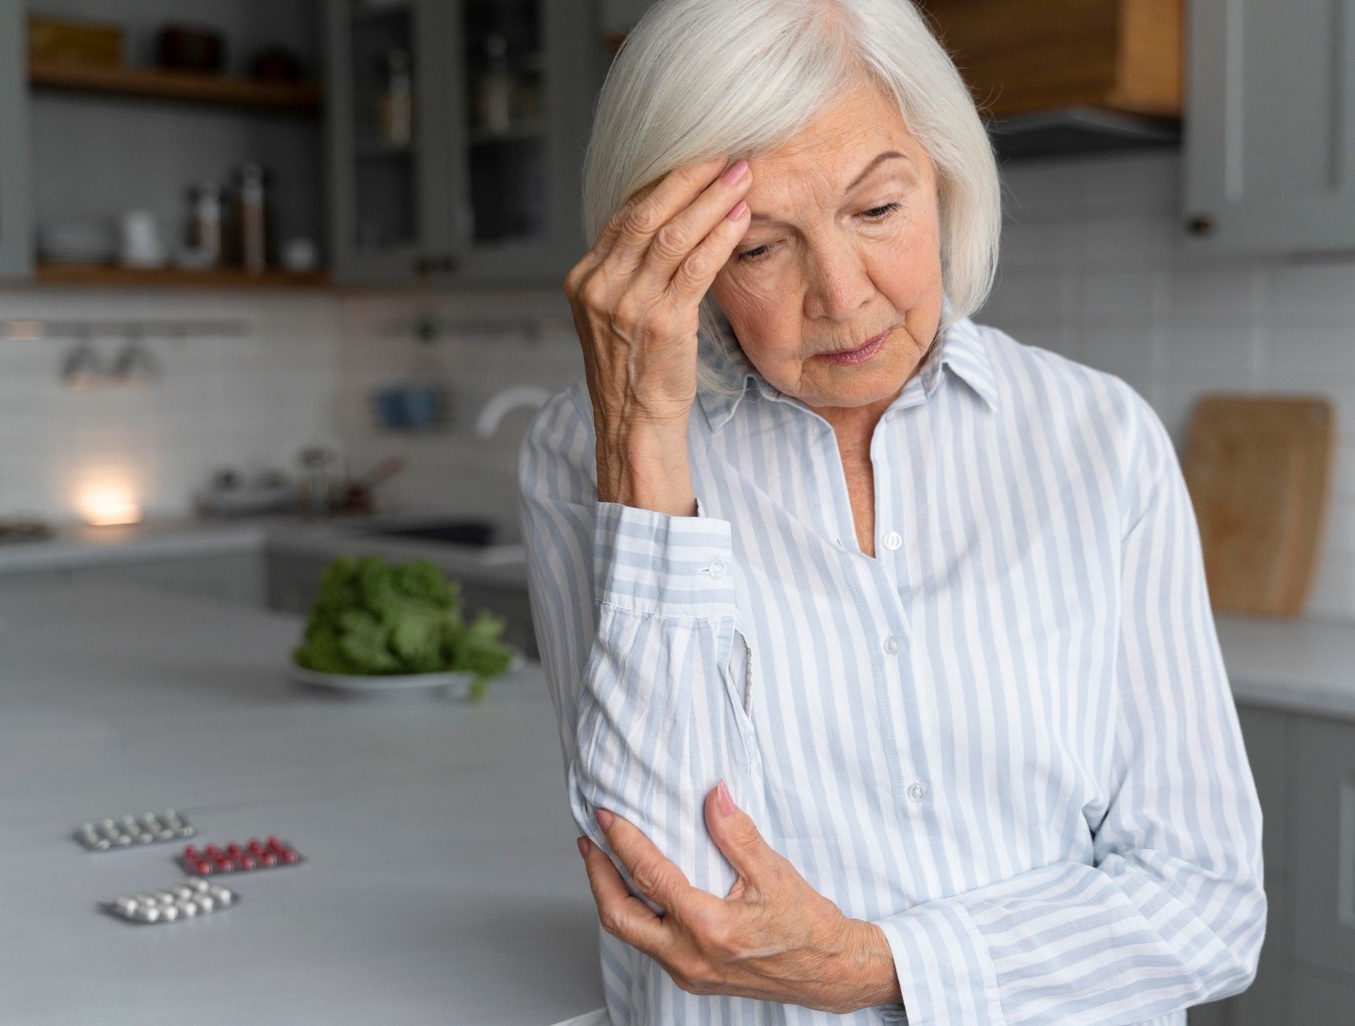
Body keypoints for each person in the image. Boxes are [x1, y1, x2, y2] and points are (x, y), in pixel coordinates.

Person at [519, 0, 1265, 1022]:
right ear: (670, 259)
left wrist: (878, 967)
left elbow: (1209, 907)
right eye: (757, 248)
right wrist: (645, 441)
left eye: (877, 211)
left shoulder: (1100, 441)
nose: (841, 293)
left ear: (947, 175)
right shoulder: (586, 452)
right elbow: (673, 901)